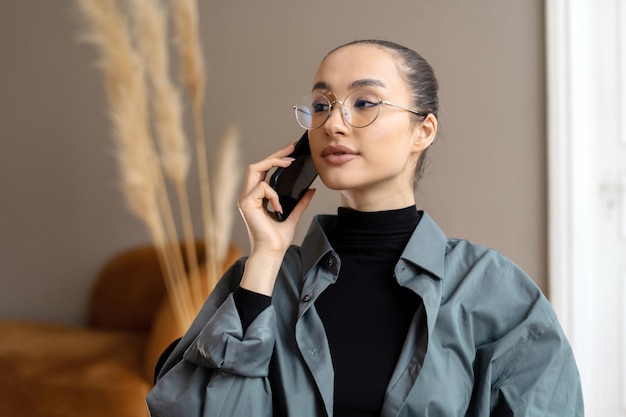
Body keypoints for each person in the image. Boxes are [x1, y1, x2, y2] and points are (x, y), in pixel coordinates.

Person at [146, 39, 584, 417]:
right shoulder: (262, 284)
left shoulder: (493, 290)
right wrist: (264, 258)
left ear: (423, 130)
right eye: (321, 106)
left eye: (365, 103)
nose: (334, 123)